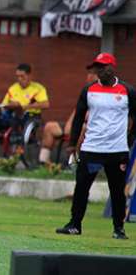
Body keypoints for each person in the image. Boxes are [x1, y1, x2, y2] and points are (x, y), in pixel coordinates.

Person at [56, 53, 135, 240]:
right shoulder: (89, 90)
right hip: (91, 148)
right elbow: (78, 118)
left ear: (112, 67)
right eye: (97, 67)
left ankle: (118, 229)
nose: (100, 70)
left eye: (103, 66)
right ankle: (75, 225)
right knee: (82, 187)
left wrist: (130, 138)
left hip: (116, 150)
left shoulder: (127, 91)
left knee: (117, 191)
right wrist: (72, 144)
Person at [0, 63, 49, 158]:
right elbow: (4, 104)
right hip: (11, 114)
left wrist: (24, 106)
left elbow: (46, 104)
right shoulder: (13, 88)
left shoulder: (38, 88)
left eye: (22, 76)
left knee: (16, 105)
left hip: (29, 116)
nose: (20, 79)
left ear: (29, 76)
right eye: (17, 76)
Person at [40, 65, 98, 166]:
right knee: (50, 126)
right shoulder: (86, 91)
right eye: (89, 74)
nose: (90, 76)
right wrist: (69, 124)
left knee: (82, 128)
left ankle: (72, 163)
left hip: (90, 128)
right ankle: (44, 162)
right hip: (75, 125)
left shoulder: (102, 93)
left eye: (93, 74)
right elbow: (77, 111)